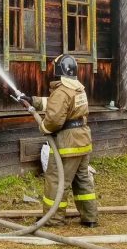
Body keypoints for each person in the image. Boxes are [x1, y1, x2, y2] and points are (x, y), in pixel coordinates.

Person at [18, 54, 97, 227]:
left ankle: (53, 219)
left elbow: (54, 119)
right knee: (82, 180)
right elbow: (54, 104)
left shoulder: (62, 91)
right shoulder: (78, 88)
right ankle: (90, 218)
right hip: (82, 141)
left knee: (57, 180)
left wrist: (44, 129)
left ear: (59, 70)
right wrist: (31, 100)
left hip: (67, 144)